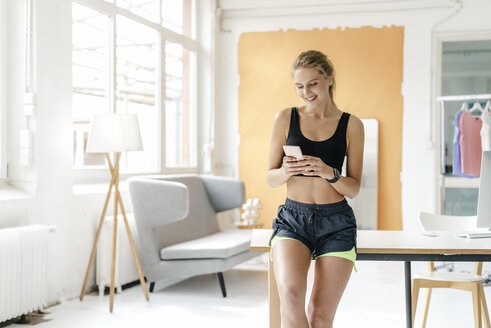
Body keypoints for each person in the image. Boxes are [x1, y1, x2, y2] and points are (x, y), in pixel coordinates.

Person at [266, 50, 364, 328]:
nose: (305, 92)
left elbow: (354, 188)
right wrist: (285, 171)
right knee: (291, 297)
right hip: (293, 220)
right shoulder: (285, 118)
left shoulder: (352, 125)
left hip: (337, 223)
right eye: (299, 86)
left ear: (329, 79)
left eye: (312, 83)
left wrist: (329, 173)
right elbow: (270, 178)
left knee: (320, 315)